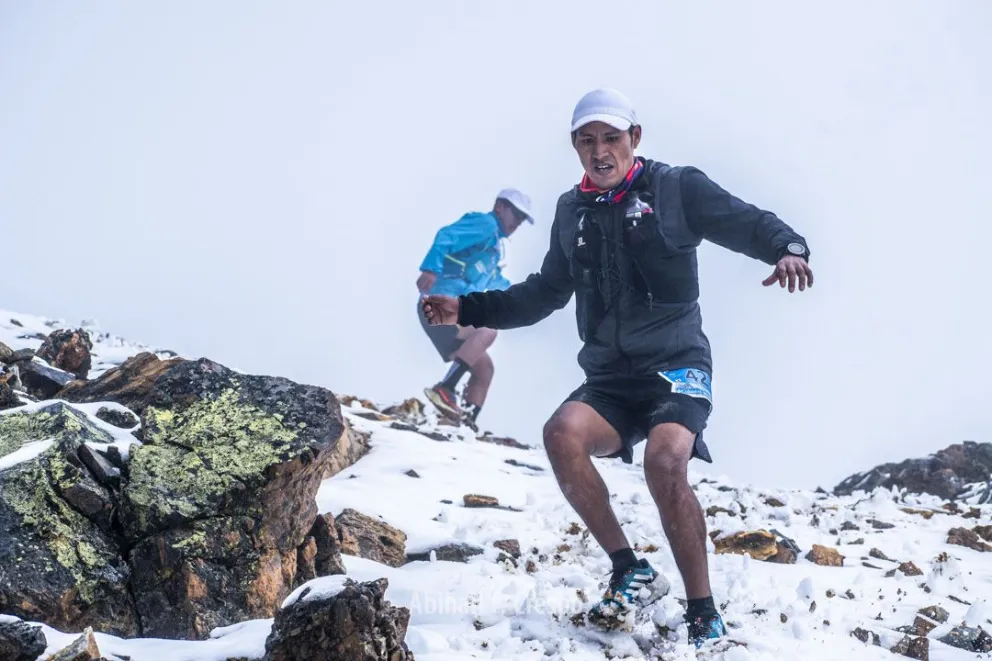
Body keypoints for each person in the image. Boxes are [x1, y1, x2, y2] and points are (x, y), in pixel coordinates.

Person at [420, 88, 814, 647]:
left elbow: (746, 221)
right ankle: (629, 568)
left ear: (635, 139)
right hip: (609, 376)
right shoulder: (571, 209)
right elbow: (543, 293)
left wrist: (787, 247)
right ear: (575, 147)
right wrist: (468, 307)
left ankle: (703, 611)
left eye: (611, 138)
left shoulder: (677, 189)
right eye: (587, 141)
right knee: (561, 434)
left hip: (677, 366)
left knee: (666, 460)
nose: (600, 151)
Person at [416, 188, 534, 426]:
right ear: (500, 207)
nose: (518, 222)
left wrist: (529, 296)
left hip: (453, 315)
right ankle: (445, 388)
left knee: (485, 369)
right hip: (439, 303)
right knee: (487, 329)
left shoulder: (491, 251)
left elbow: (498, 283)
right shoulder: (485, 224)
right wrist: (430, 268)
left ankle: (463, 423)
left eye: (523, 218)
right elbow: (446, 236)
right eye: (517, 214)